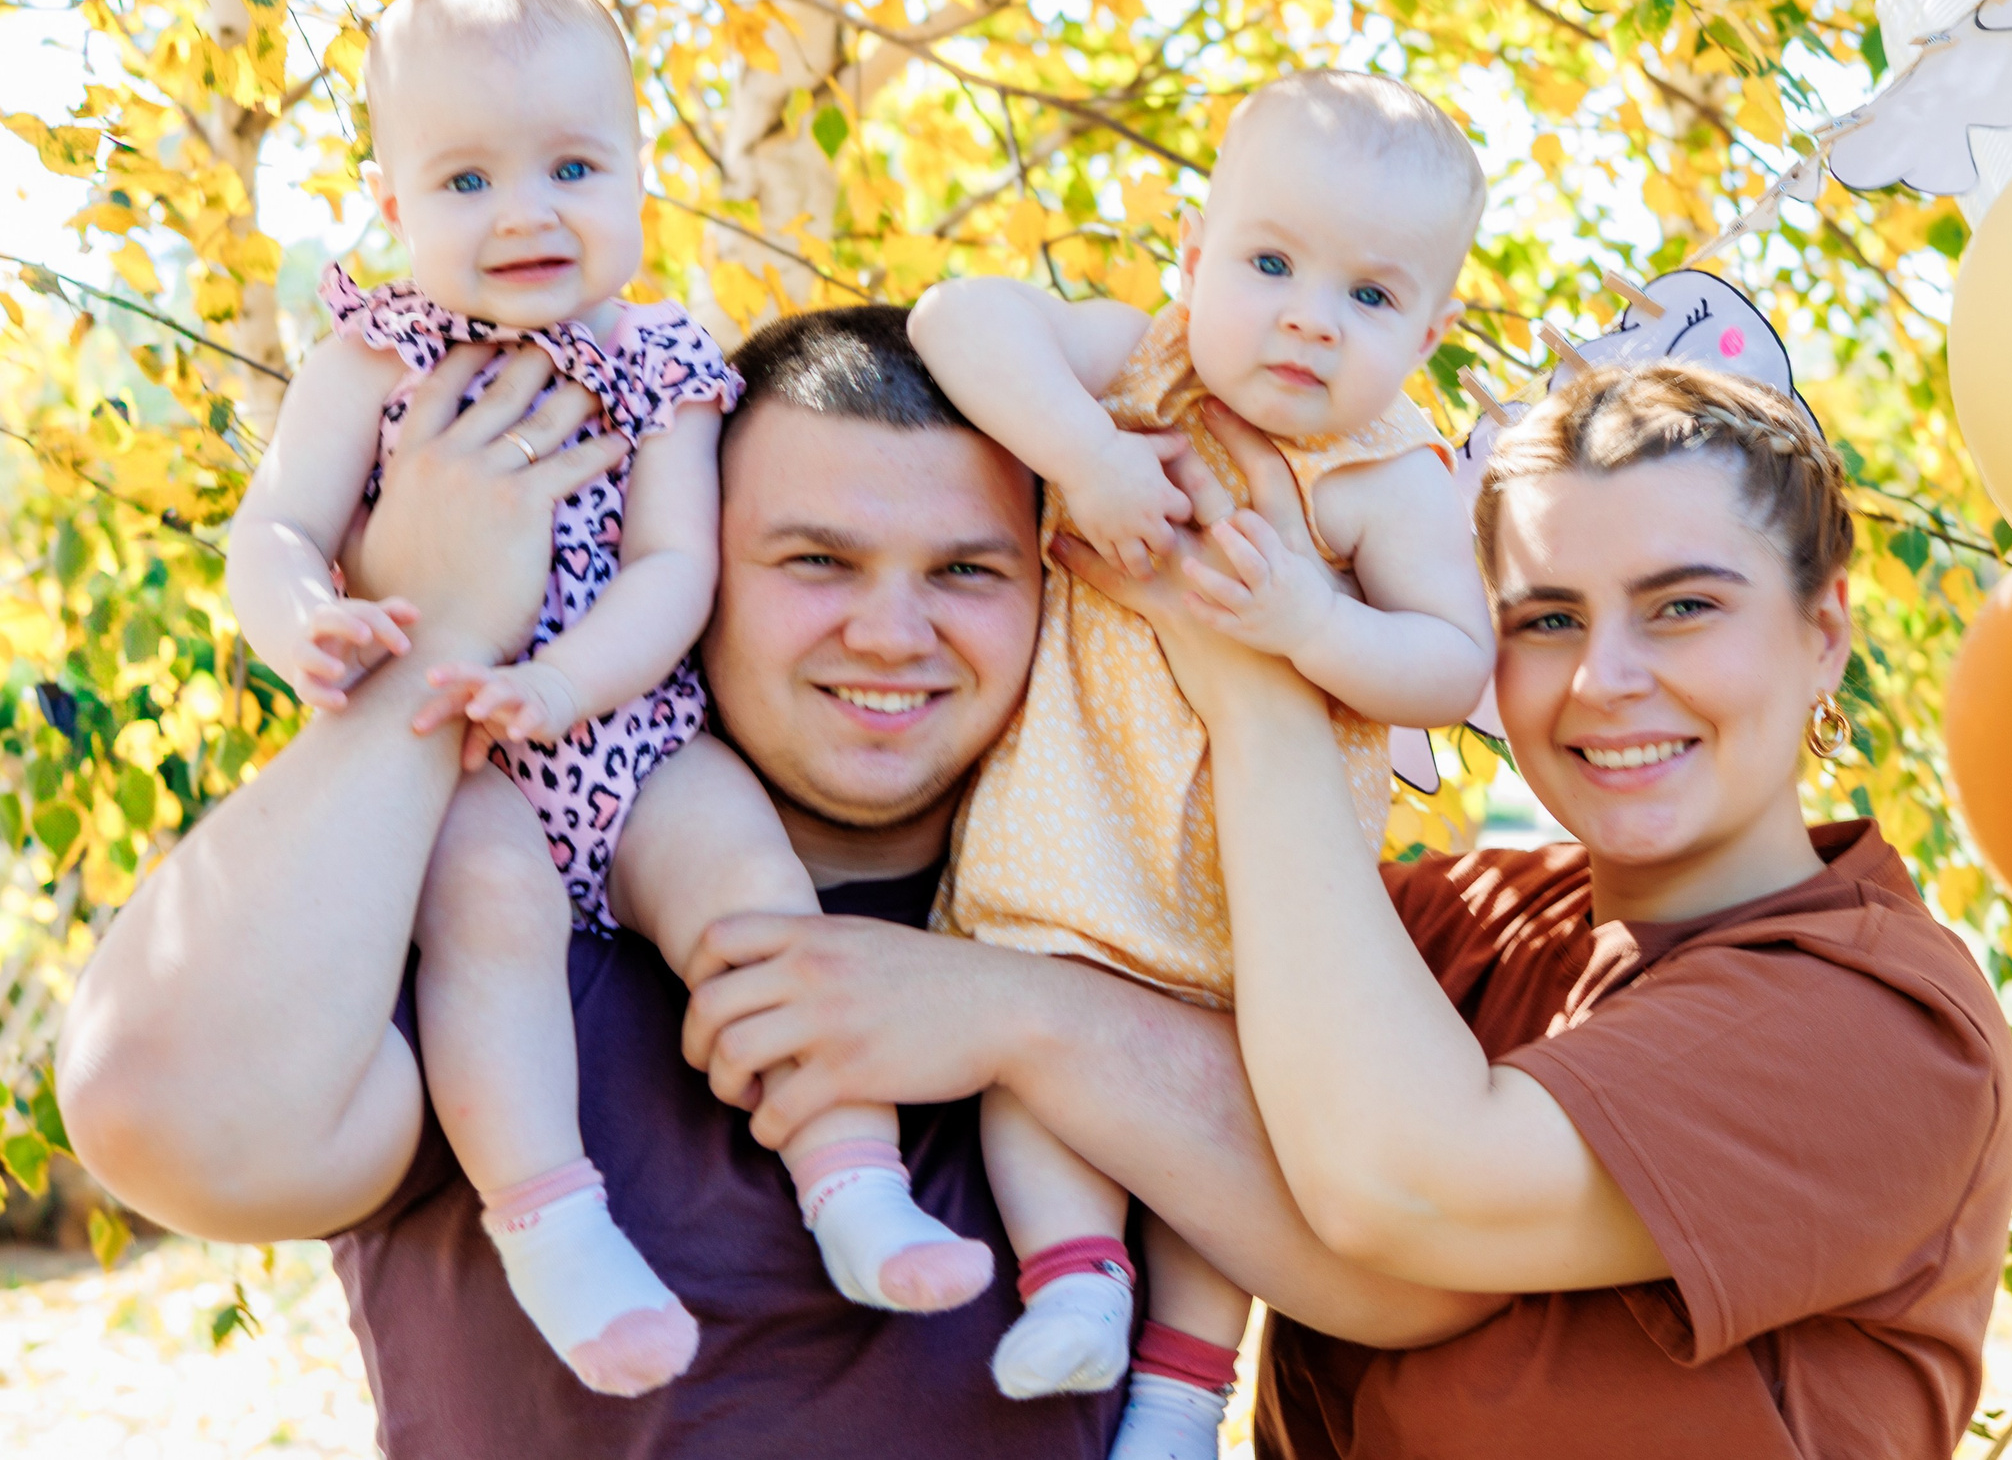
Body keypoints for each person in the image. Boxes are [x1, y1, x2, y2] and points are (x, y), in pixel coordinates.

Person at [59, 306, 1492, 1458]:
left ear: (1059, 586)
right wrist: (438, 644)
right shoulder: (493, 918)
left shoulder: (1166, 945)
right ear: (686, 571)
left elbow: (1418, 1273)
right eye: (815, 559)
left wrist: (1016, 1016)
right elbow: (165, 1113)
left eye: (968, 572)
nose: (892, 629)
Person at [686, 365, 2012, 1455]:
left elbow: (1405, 1194)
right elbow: (1133, 939)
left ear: (1824, 634)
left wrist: (1250, 686)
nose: (1606, 679)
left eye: (1683, 609)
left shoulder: (1883, 1024)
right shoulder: (1458, 922)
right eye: (1546, 620)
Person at [224, 0, 985, 1402]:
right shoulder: (369, 357)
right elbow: (268, 525)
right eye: (466, 178)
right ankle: (557, 1229)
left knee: (754, 901)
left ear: (640, 175)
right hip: (455, 756)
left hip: (631, 727)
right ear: (390, 207)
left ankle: (857, 1184)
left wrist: (572, 684)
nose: (527, 212)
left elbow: (673, 570)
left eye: (573, 166)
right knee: (490, 923)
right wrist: (301, 617)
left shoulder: (667, 366)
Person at [904, 72, 1494, 1451]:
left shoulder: (1384, 476)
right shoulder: (1142, 365)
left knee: (1234, 1135)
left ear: (1432, 328)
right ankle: (1077, 1286)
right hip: (1080, 825)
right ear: (1194, 258)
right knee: (1038, 1050)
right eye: (1271, 263)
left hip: (1259, 888)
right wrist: (1083, 452)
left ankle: (1181, 1396)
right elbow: (955, 316)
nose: (1307, 316)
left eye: (1369, 296)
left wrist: (1316, 621)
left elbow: (1452, 665)